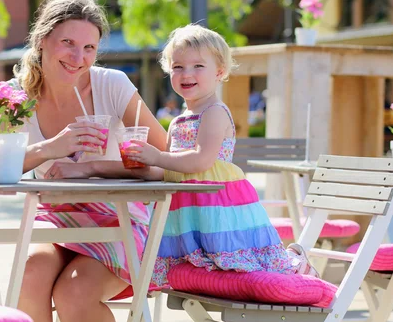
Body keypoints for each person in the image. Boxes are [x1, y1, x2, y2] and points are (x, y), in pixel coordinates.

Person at [0, 0, 167, 322]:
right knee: (29, 275)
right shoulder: (15, 97)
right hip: (56, 216)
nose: (79, 58)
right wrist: (50, 148)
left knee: (74, 294)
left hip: (119, 218)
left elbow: (166, 161)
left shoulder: (112, 85)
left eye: (89, 48)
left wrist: (90, 168)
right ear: (42, 40)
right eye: (68, 43)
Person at [125, 24, 318, 287]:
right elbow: (171, 168)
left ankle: (297, 262)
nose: (186, 73)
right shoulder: (178, 121)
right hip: (190, 211)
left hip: (218, 206)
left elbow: (201, 160)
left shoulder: (214, 112)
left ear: (219, 72)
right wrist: (142, 166)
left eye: (197, 66)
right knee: (203, 266)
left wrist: (156, 156)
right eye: (178, 66)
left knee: (239, 262)